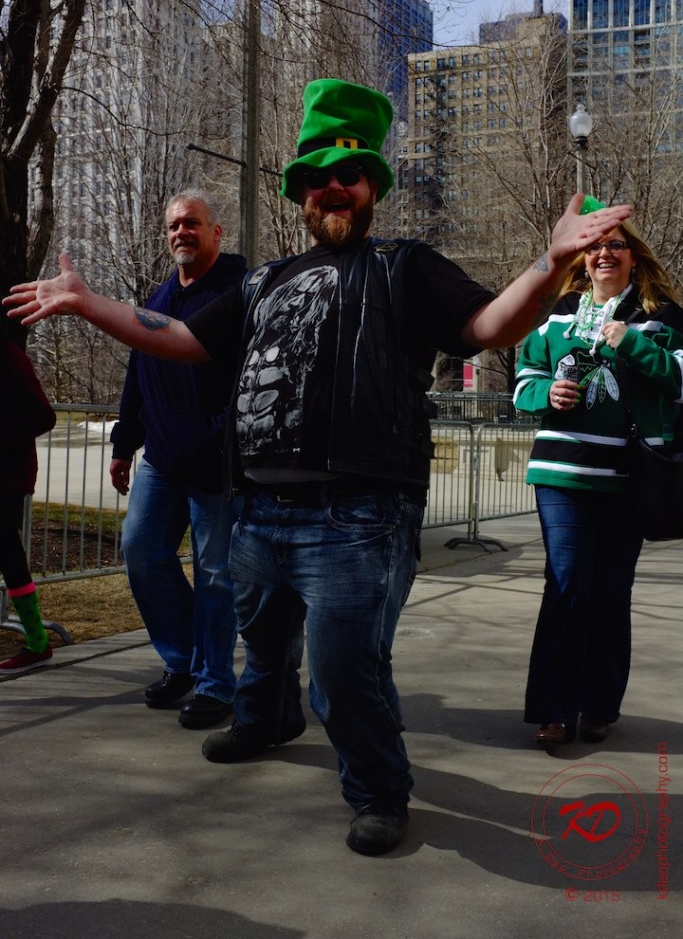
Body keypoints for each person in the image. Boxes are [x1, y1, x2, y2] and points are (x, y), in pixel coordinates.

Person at [3, 79, 634, 855]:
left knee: (343, 674)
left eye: (351, 174)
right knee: (263, 646)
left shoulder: (403, 266)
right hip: (257, 511)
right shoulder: (262, 281)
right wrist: (88, 302)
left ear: (372, 188)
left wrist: (548, 261)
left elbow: (486, 326)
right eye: (317, 178)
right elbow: (182, 337)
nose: (333, 186)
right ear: (299, 192)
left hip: (358, 519)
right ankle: (265, 719)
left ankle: (378, 789)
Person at [513, 199, 683, 747]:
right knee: (566, 583)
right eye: (594, 247)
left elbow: (678, 380)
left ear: (634, 255)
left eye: (615, 245)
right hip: (561, 473)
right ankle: (554, 710)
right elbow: (523, 381)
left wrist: (631, 341)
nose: (604, 253)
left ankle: (599, 705)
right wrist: (548, 392)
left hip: (630, 477)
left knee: (611, 591)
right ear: (582, 259)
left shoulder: (662, 317)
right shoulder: (557, 313)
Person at [109, 191, 246, 729]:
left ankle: (216, 683)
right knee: (141, 551)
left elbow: (248, 380)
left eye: (191, 223)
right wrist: (125, 443)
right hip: (161, 460)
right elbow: (138, 371)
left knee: (215, 576)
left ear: (216, 232)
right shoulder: (159, 296)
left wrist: (219, 437)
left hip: (217, 462)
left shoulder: (239, 292)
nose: (180, 233)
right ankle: (182, 661)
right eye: (173, 226)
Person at [0, 315, 57, 674]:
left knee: (7, 552)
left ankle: (37, 643)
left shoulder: (10, 358)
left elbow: (44, 417)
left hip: (8, 476)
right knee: (8, 553)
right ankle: (37, 642)